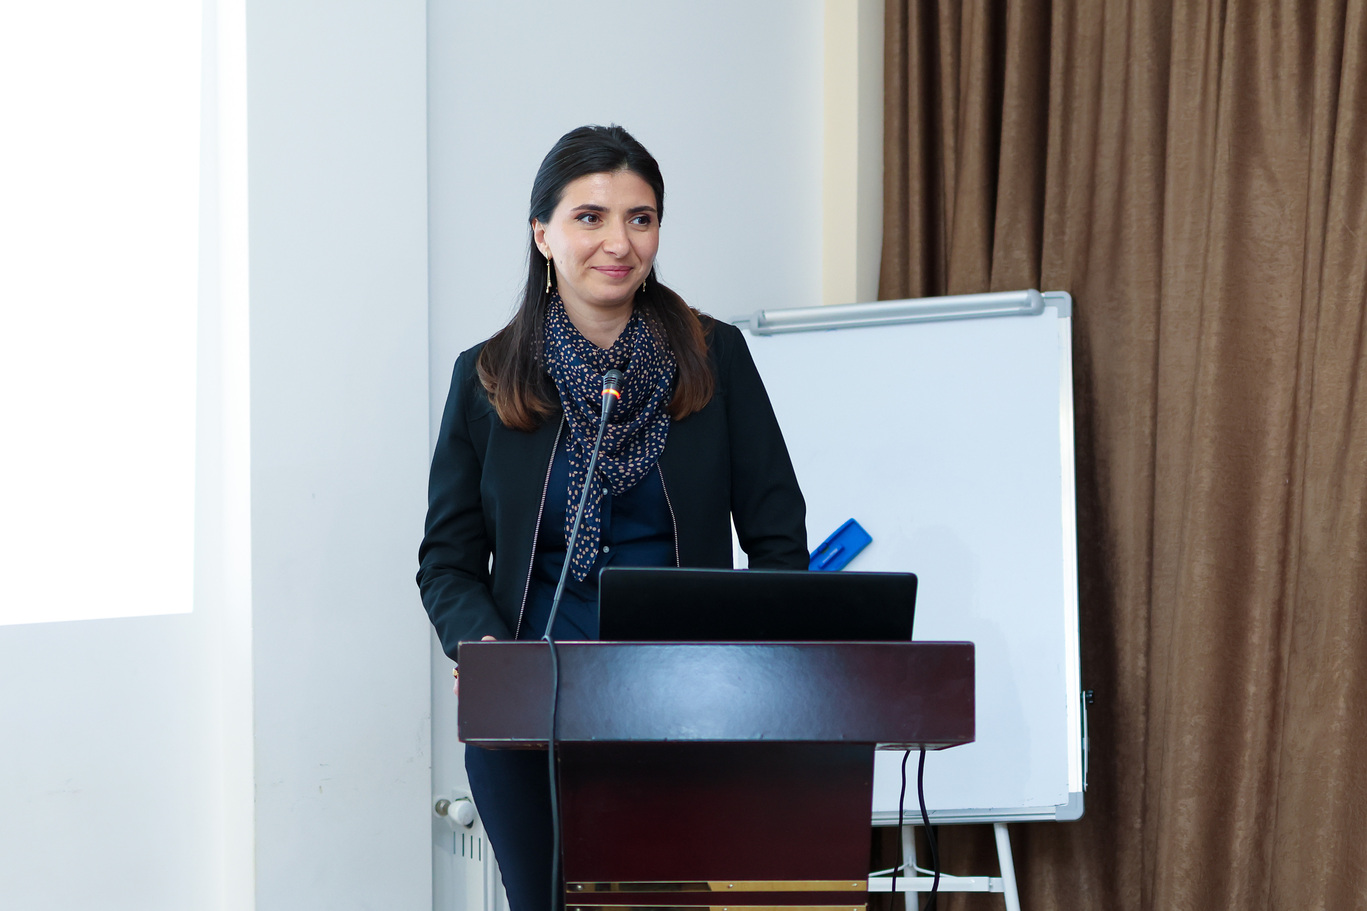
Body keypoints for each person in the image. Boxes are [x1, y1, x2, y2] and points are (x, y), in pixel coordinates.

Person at [416, 124, 807, 911]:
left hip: (682, 702)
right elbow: (448, 560)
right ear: (542, 233)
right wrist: (485, 650)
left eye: (640, 217)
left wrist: (745, 657)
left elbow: (778, 539)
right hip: (529, 705)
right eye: (589, 217)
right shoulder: (486, 376)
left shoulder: (716, 356)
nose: (618, 242)